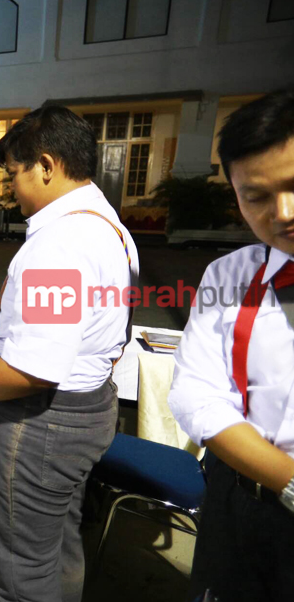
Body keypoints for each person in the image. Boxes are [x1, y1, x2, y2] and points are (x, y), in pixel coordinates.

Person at [0, 106, 138, 602]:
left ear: (46, 165)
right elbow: (71, 307)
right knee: (56, 548)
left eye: (13, 175)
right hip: (87, 410)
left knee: (22, 572)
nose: (12, 189)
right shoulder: (104, 222)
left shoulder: (61, 241)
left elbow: (32, 370)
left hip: (38, 427)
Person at [168, 90, 294, 602]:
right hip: (239, 500)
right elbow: (195, 393)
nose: (283, 212)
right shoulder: (232, 273)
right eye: (256, 196)